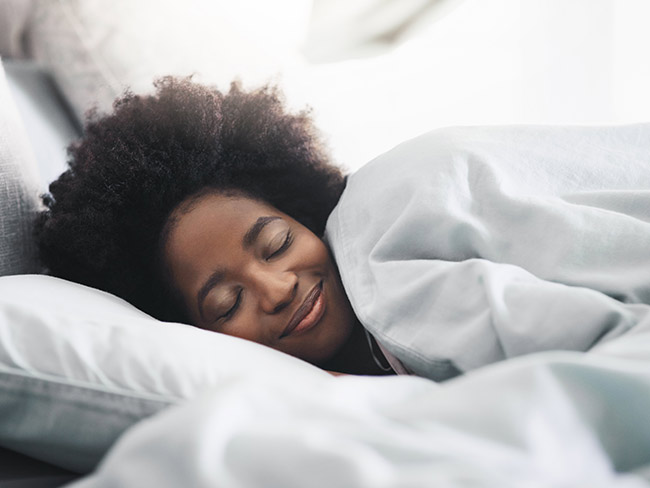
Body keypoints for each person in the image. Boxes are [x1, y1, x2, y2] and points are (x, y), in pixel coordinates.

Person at [35, 77, 650, 381]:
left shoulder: (380, 244)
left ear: (305, 209)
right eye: (227, 304)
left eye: (275, 244)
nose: (275, 289)